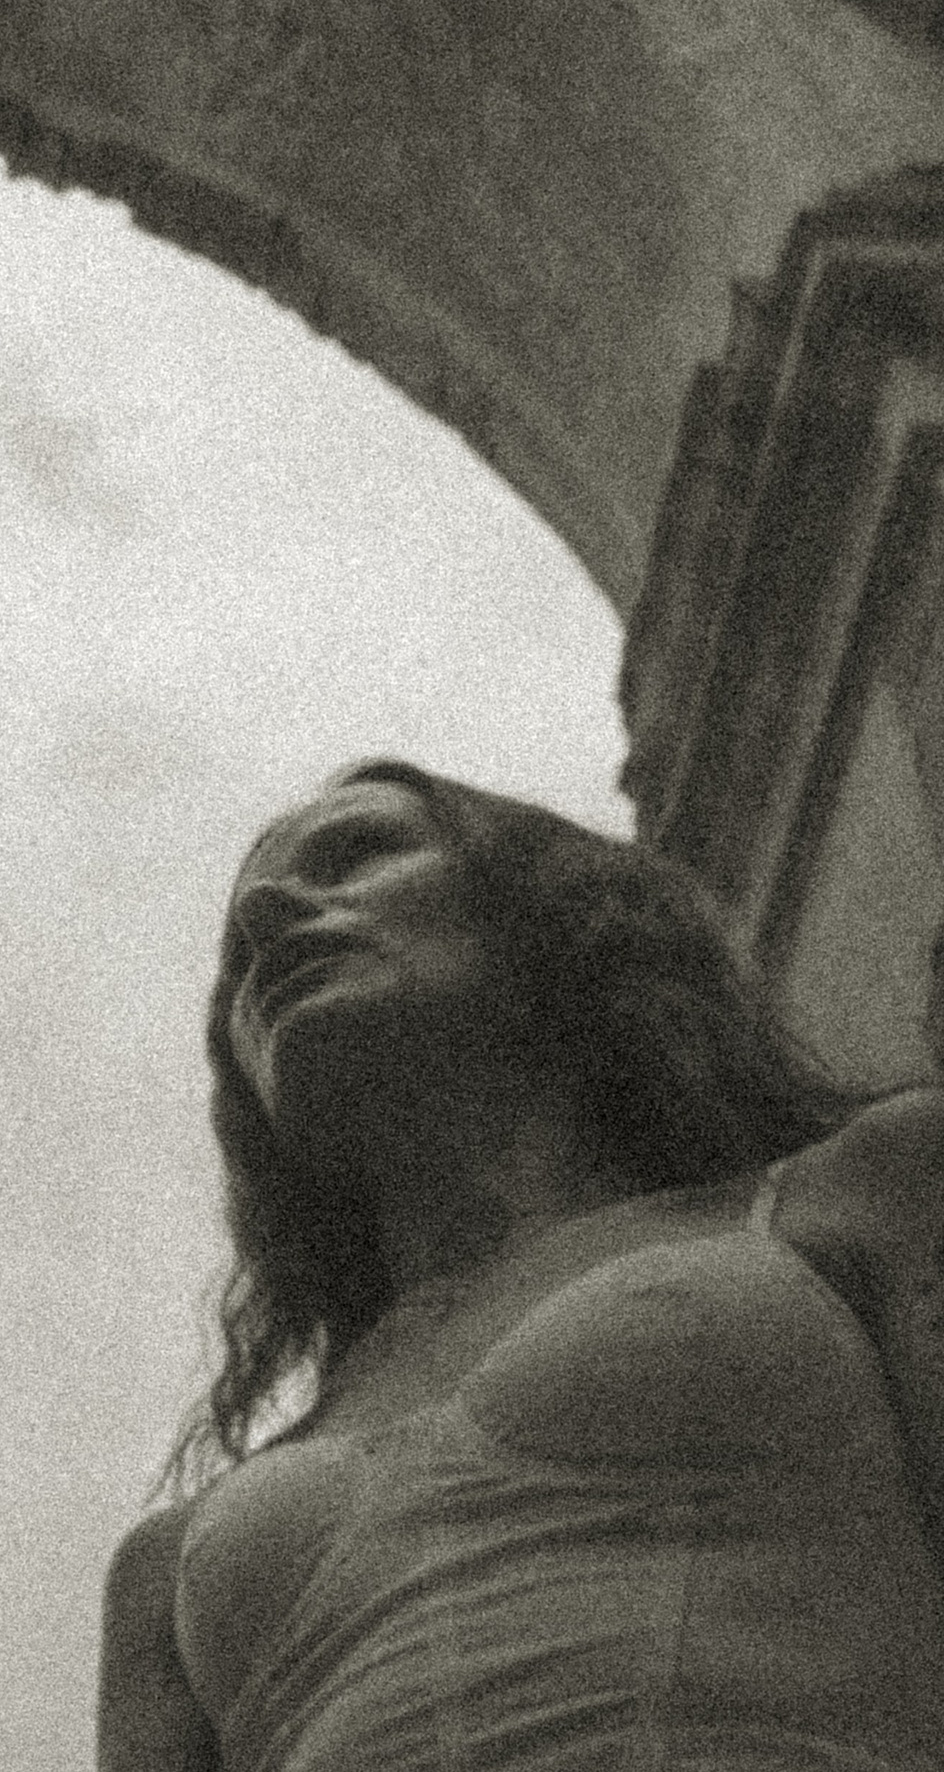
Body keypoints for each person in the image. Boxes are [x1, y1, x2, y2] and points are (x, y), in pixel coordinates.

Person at [96, 756, 944, 1772]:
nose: (273, 909)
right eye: (235, 953)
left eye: (356, 853)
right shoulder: (169, 1564)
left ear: (550, 914)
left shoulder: (860, 1193)